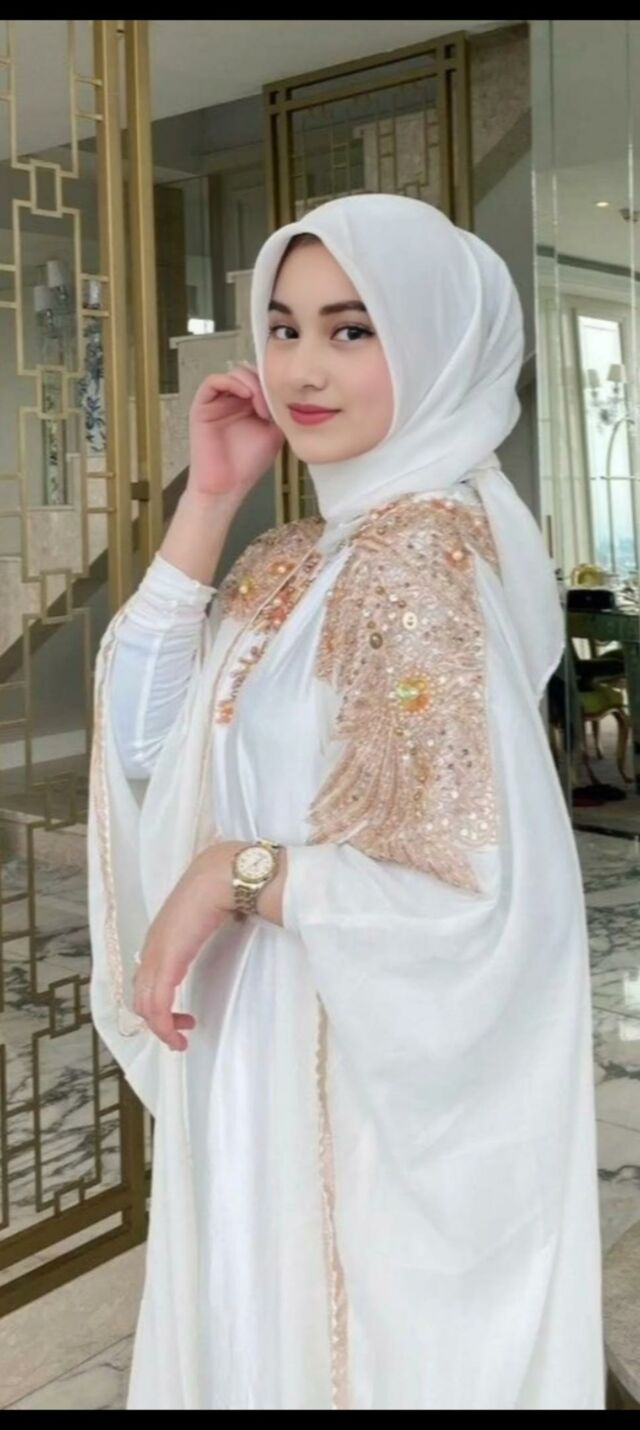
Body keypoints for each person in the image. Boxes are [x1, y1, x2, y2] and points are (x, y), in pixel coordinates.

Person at [88, 193, 605, 1410]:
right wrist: (210, 500)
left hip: (347, 1081)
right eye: (283, 327)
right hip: (260, 1048)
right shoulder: (302, 554)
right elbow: (147, 737)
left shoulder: (424, 557)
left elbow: (471, 898)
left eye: (352, 329)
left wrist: (238, 872)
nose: (301, 369)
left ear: (434, 346)